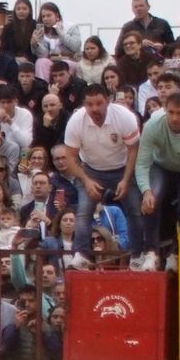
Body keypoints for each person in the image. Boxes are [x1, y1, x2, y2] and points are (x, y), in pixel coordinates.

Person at [62, 84, 144, 256]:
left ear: (108, 101)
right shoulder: (76, 121)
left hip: (123, 167)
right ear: (84, 104)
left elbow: (134, 149)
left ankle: (138, 255)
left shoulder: (124, 117)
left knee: (135, 211)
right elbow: (70, 157)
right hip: (91, 169)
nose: (94, 109)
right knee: (84, 212)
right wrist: (86, 180)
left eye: (99, 103)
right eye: (89, 104)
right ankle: (81, 256)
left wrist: (126, 179)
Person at [135, 94, 180, 262]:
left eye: (179, 113)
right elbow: (142, 163)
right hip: (160, 165)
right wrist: (146, 191)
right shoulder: (153, 124)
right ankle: (151, 251)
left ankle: (177, 253)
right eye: (171, 112)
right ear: (165, 110)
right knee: (152, 198)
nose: (174, 118)